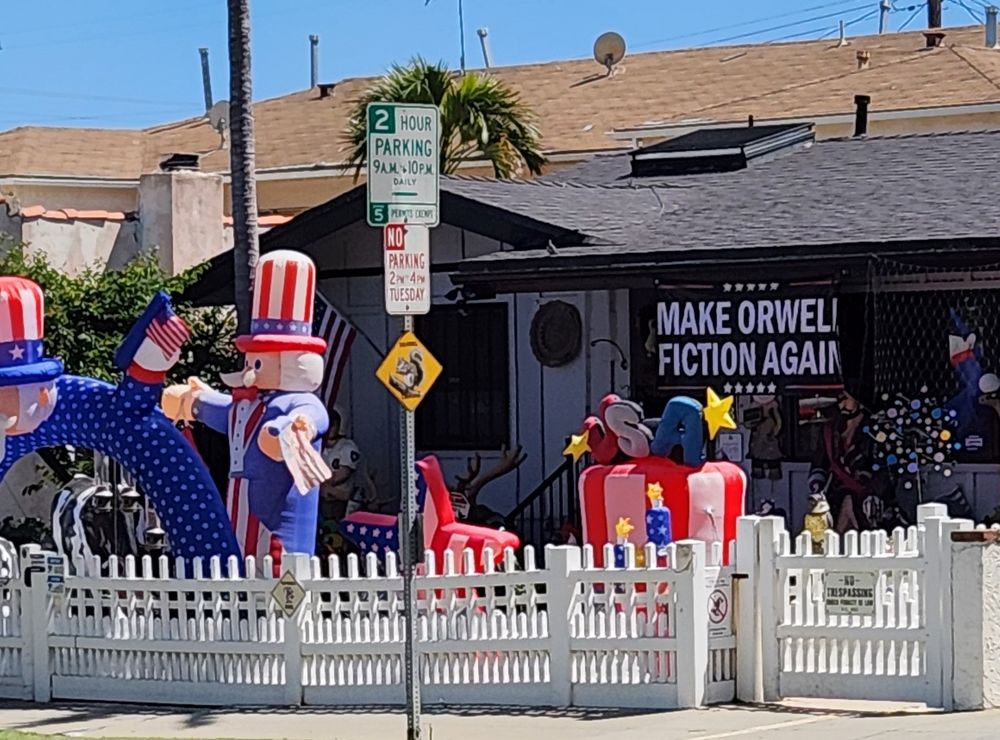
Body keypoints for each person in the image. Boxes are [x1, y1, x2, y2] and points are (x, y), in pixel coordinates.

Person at [807, 390, 883, 533]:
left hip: (867, 496)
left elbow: (881, 468)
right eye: (839, 399)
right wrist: (817, 487)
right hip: (835, 494)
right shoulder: (830, 430)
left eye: (846, 399)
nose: (842, 404)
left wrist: (875, 492)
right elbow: (819, 463)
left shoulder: (874, 431)